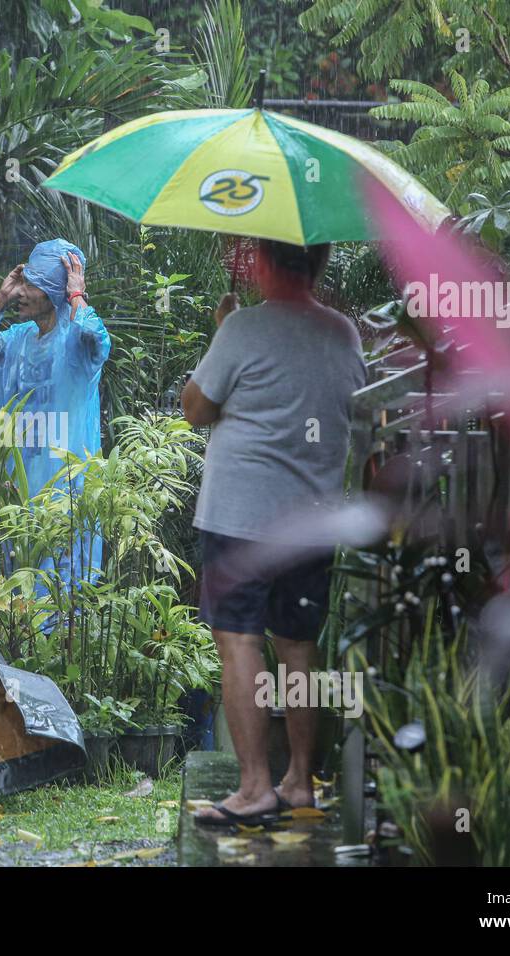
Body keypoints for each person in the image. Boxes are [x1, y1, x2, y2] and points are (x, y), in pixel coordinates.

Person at [181, 238, 366, 826]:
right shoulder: (344, 333)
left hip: (241, 516)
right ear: (319, 264)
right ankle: (300, 780)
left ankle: (255, 785)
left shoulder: (242, 330)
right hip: (311, 517)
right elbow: (351, 408)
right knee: (298, 645)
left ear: (262, 264)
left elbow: (195, 407)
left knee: (239, 640)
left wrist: (224, 331)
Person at [0, 238, 110, 582]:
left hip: (67, 494)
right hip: (18, 492)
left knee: (64, 599)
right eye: (22, 282)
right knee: (19, 598)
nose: (21, 292)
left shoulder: (76, 345)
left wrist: (77, 295)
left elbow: (95, 338)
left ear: (53, 291)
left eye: (31, 284)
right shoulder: (16, 341)